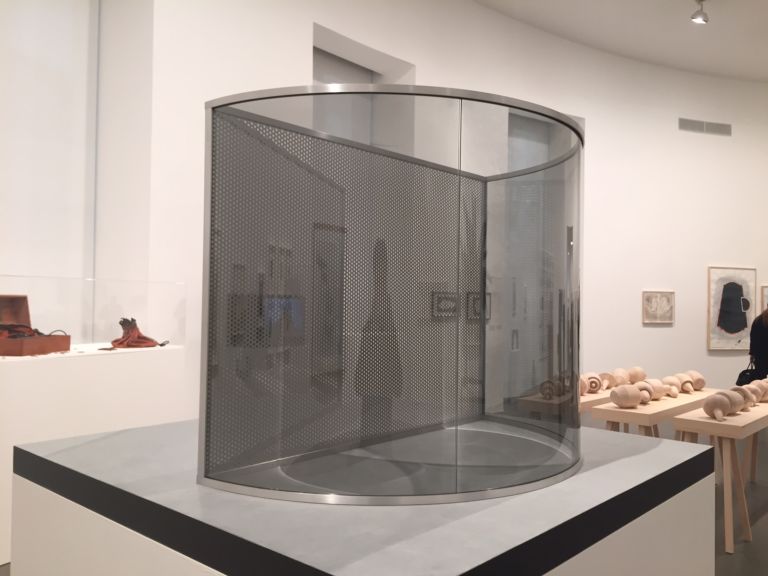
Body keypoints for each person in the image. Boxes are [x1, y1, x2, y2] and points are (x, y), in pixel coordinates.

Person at [748, 308, 768, 379]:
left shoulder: (758, 320)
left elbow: (753, 340)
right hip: (761, 357)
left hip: (760, 358)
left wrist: (752, 354)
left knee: (761, 381)